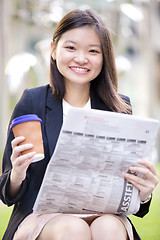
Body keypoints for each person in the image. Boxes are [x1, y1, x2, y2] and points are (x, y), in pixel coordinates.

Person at [0, 9, 159, 240]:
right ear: (54, 50)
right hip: (44, 217)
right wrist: (17, 172)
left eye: (93, 51)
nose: (81, 58)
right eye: (71, 48)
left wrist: (144, 193)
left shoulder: (120, 107)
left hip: (104, 215)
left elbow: (132, 195)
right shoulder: (32, 101)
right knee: (73, 230)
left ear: (104, 57)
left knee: (109, 228)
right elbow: (7, 192)